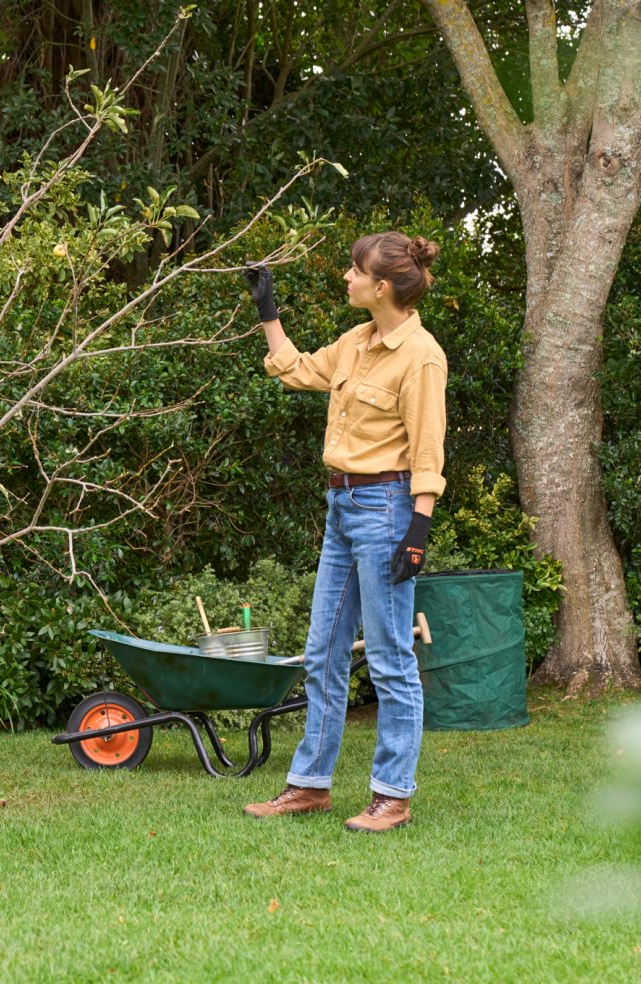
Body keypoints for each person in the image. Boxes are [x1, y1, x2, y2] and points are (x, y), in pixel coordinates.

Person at [240, 232, 447, 832]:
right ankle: (309, 786)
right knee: (323, 652)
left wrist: (419, 529)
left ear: (381, 287)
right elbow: (295, 370)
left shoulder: (421, 356)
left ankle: (393, 795)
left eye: (355, 272)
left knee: (388, 658)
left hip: (387, 509)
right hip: (342, 507)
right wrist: (267, 309)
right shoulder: (356, 342)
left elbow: (428, 449)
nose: (347, 279)